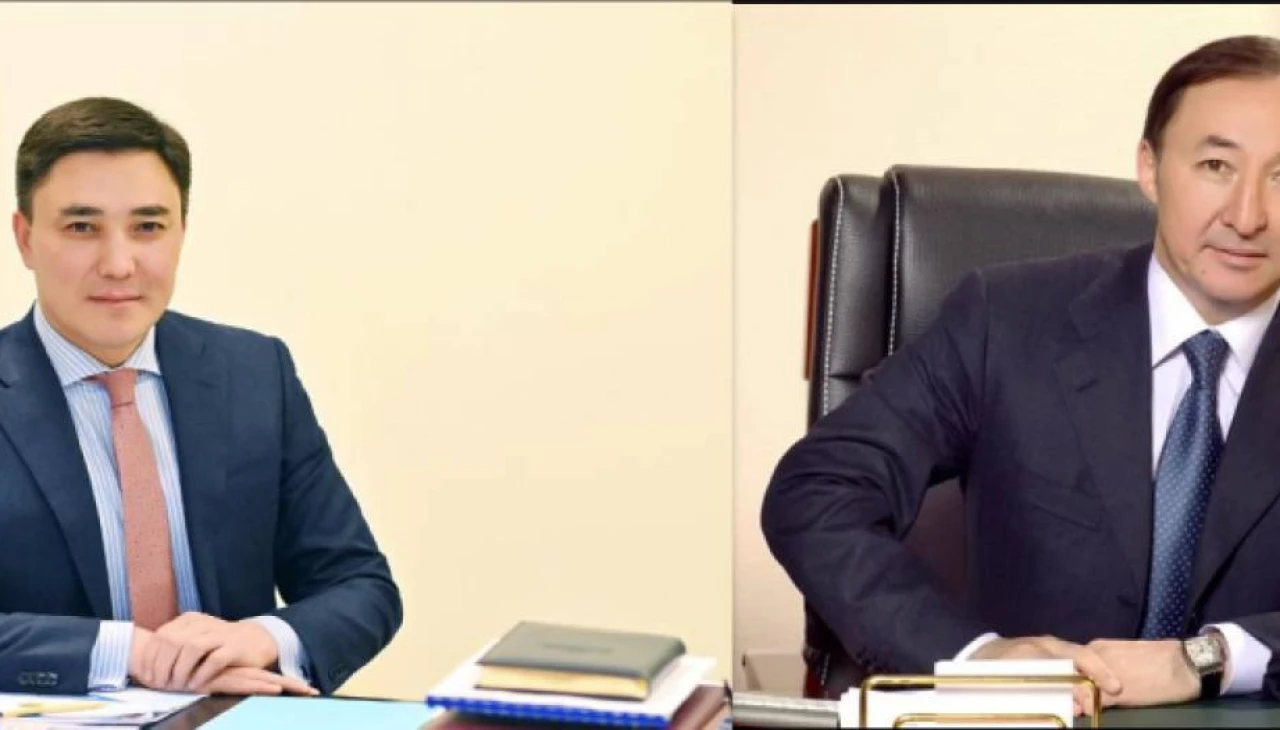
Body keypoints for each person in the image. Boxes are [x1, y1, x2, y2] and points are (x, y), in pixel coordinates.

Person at [762, 34, 1280, 715]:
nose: (1247, 216)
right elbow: (815, 491)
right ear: (1150, 168)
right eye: (1216, 165)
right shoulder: (1005, 320)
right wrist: (973, 656)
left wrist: (1209, 658)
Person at [0, 97, 401, 697]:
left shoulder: (255, 374)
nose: (119, 263)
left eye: (148, 227)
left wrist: (263, 638)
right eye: (82, 227)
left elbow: (360, 585)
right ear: (26, 238)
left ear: (181, 233)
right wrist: (131, 653)